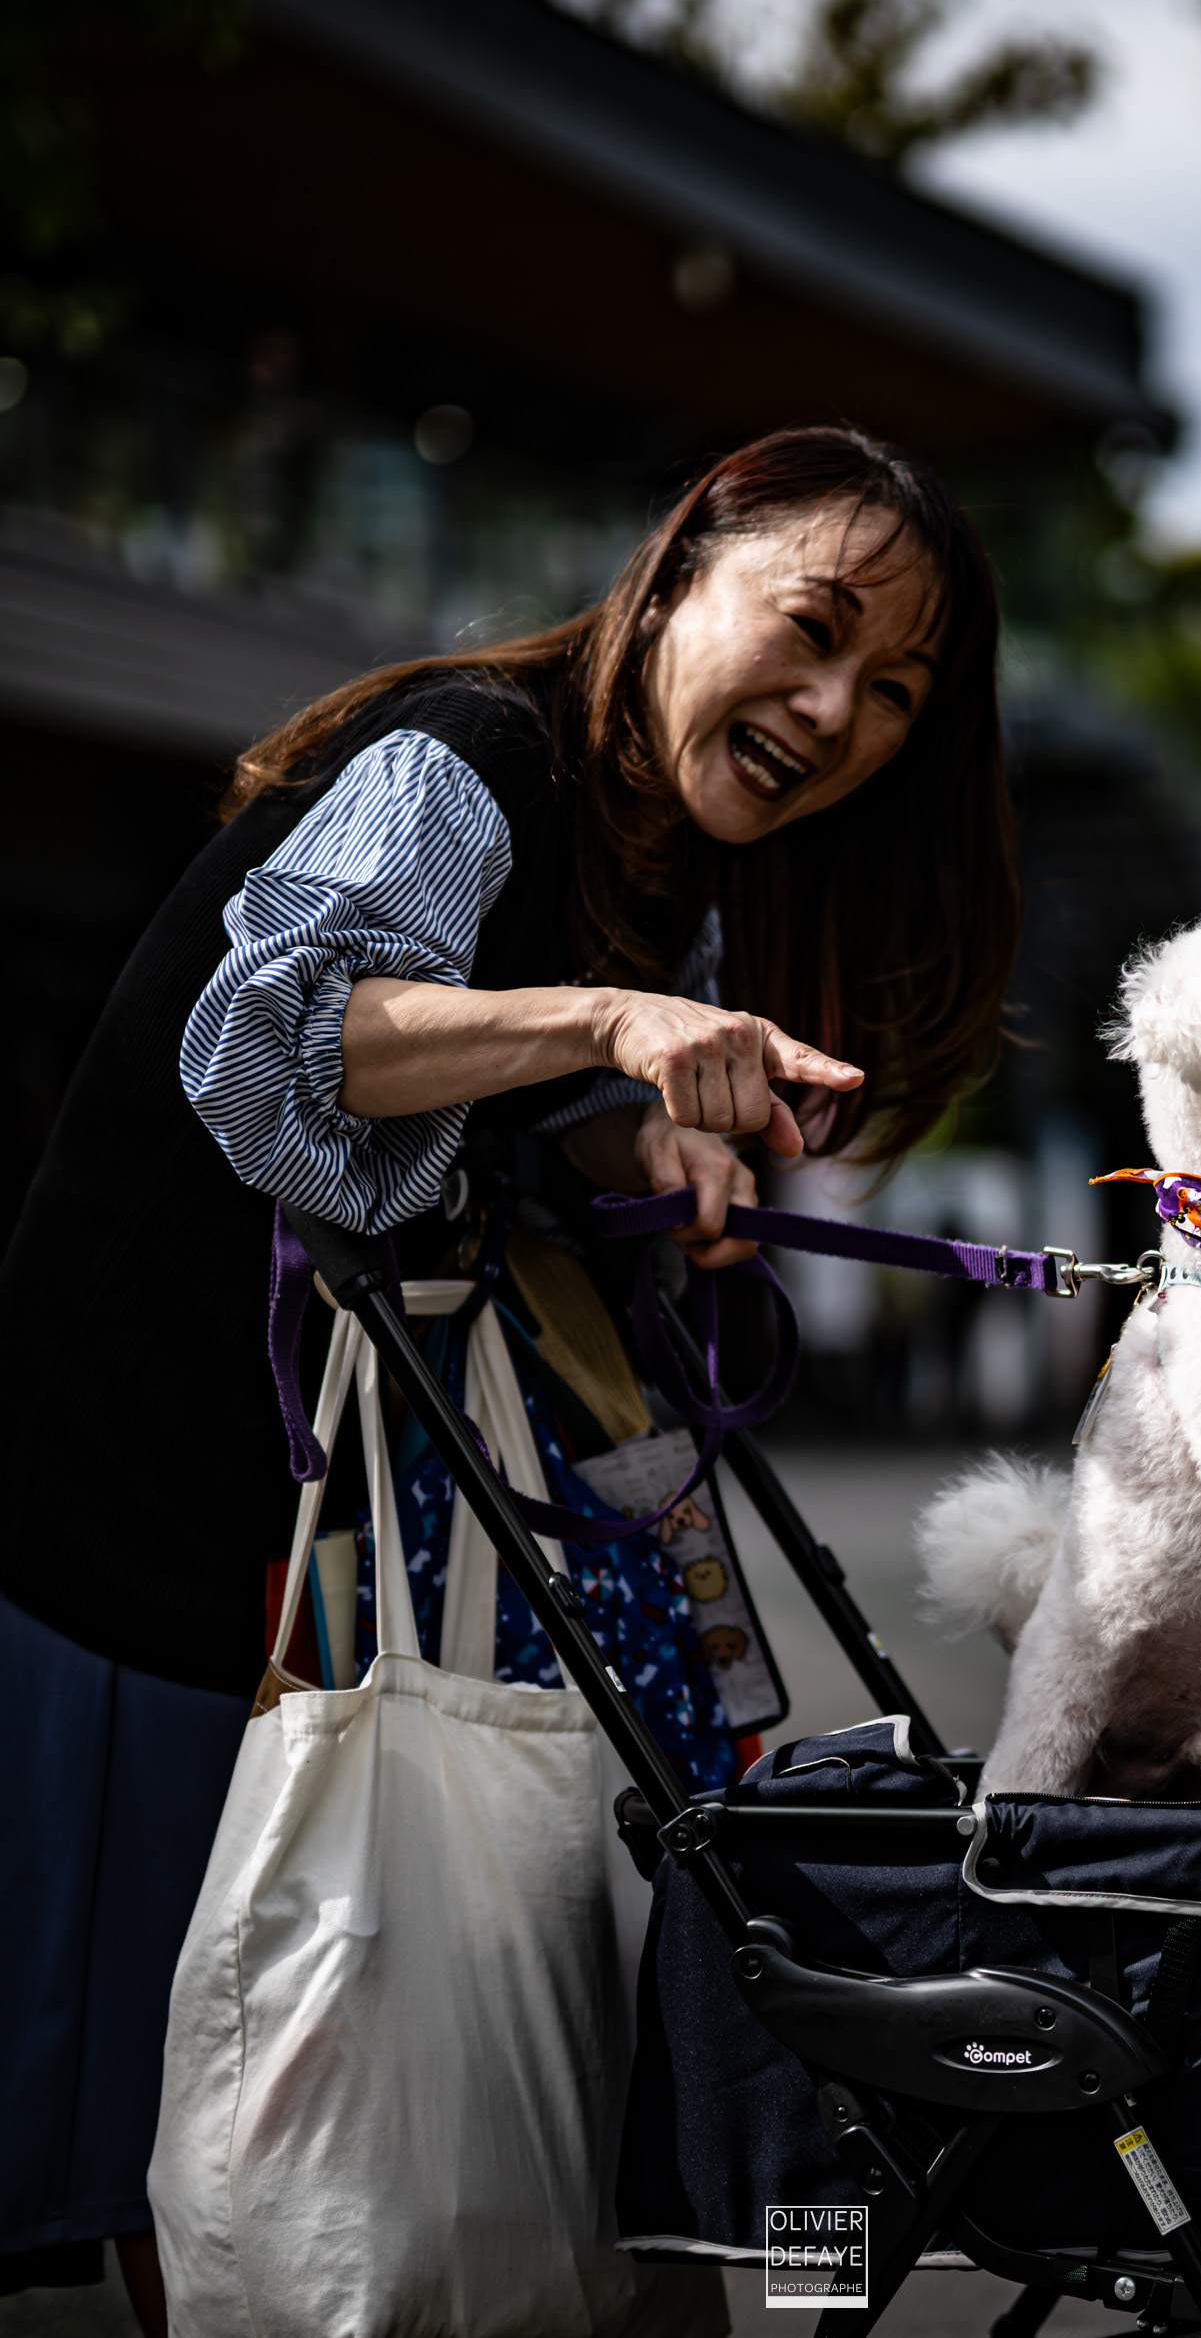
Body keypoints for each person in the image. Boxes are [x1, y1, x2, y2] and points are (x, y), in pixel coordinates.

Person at [0, 427, 1021, 2327]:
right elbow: (283, 1038)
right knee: (210, 2089)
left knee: (320, 2053)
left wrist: (640, 1138)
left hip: (354, 1564)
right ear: (680, 563)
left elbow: (502, 1103)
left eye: (895, 692)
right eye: (813, 628)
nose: (837, 712)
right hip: (144, 1526)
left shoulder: (667, 868)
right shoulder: (467, 757)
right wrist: (613, 1024)